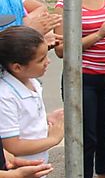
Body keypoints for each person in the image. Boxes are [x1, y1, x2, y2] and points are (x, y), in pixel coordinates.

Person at [52, 0, 105, 178]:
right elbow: (61, 50)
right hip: (82, 79)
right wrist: (98, 35)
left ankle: (103, 174)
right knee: (86, 137)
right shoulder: (66, 4)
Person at [0, 26, 65, 164]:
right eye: (41, 60)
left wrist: (46, 119)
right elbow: (12, 145)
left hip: (37, 163)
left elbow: (24, 120)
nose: (48, 61)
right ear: (17, 67)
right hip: (21, 167)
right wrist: (53, 139)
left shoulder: (32, 81)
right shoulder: (5, 96)